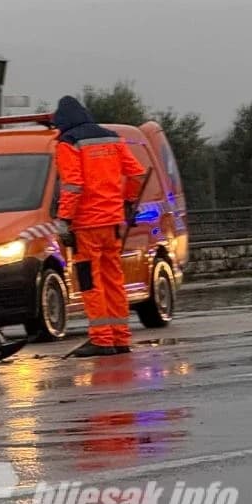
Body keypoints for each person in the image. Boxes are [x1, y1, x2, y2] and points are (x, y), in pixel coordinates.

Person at [52, 96, 147, 357]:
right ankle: (120, 337)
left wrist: (64, 219)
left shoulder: (68, 143)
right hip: (112, 222)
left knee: (90, 281)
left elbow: (73, 184)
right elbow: (137, 173)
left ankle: (101, 339)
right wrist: (127, 201)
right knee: (114, 279)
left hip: (86, 224)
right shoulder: (112, 138)